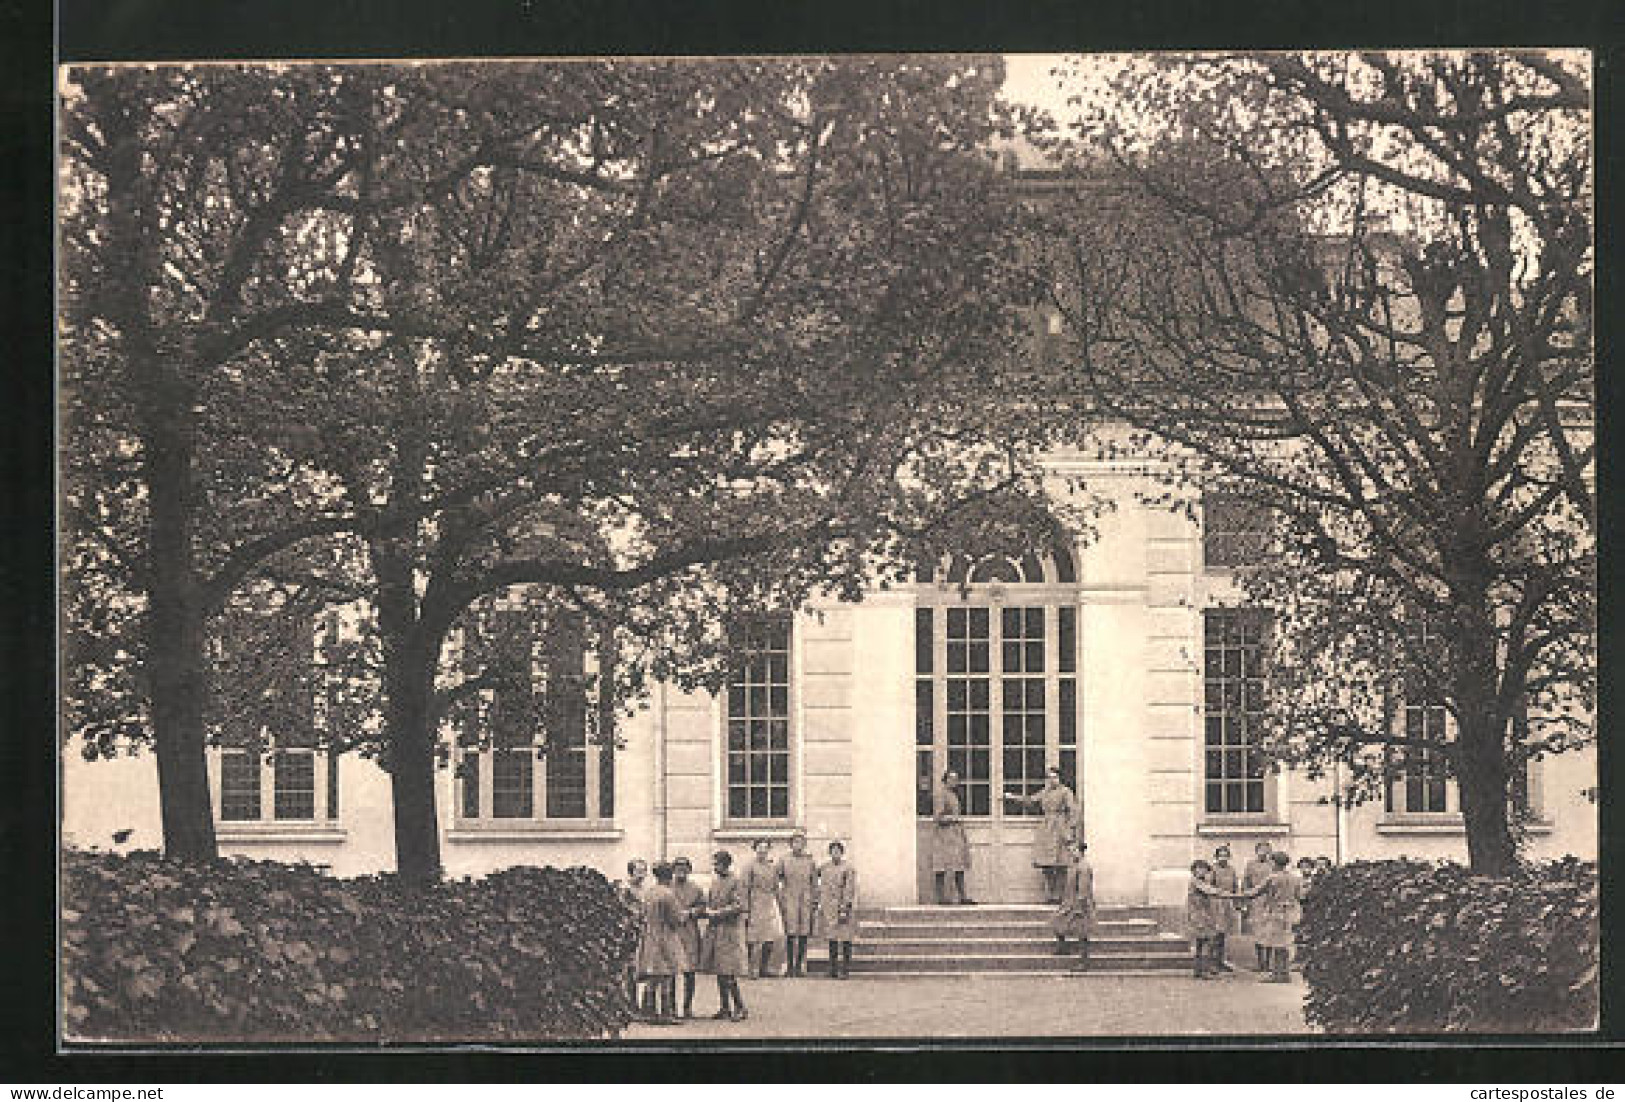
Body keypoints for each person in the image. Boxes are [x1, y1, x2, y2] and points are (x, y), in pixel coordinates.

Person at [1004, 766, 1080, 904]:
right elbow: (1031, 800)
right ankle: (1051, 894)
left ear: (1060, 778)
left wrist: (1070, 829)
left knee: (1061, 863)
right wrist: (1012, 797)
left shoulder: (1066, 792)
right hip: (1046, 828)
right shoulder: (1045, 792)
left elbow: (1073, 811)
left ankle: (1060, 895)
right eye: (1049, 778)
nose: (1052, 780)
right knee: (1046, 863)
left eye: (1054, 777)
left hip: (1060, 827)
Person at [1238, 850, 1304, 983]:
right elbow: (1300, 896)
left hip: (1275, 912)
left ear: (1274, 863)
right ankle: (1284, 973)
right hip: (1291, 912)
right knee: (1284, 944)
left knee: (1276, 943)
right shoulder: (1295, 878)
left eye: (1271, 861)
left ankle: (1277, 974)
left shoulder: (1272, 878)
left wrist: (1232, 896)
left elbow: (1254, 893)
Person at [698, 850, 749, 1021]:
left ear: (725, 864)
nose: (715, 867)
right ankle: (725, 1007)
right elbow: (710, 901)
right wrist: (705, 910)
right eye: (714, 864)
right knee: (720, 972)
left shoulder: (736, 881)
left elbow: (739, 905)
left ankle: (740, 1007)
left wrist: (717, 913)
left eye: (717, 864)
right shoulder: (715, 882)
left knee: (729, 972)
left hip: (729, 931)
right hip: (715, 931)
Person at [637, 861, 689, 1024]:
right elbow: (677, 919)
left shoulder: (649, 892)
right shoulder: (668, 894)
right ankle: (666, 1014)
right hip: (666, 938)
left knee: (652, 978)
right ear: (669, 875)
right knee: (666, 976)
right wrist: (687, 914)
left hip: (650, 936)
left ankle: (648, 1012)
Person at [1186, 859, 1239, 979]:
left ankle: (1199, 970)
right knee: (1205, 942)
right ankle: (1203, 970)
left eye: (1204, 869)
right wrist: (1230, 895)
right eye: (1200, 869)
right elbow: (1210, 890)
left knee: (1202, 943)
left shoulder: (1202, 881)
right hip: (1198, 916)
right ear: (1194, 870)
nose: (1202, 871)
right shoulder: (1196, 882)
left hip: (1203, 915)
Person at [813, 840, 858, 979]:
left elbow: (849, 888)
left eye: (838, 851)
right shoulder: (825, 868)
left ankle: (845, 969)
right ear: (829, 853)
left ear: (842, 852)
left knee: (845, 939)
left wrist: (845, 906)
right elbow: (814, 876)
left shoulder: (848, 868)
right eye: (833, 851)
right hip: (829, 908)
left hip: (843, 907)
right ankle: (832, 968)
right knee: (832, 938)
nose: (835, 854)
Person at [742, 838, 787, 978]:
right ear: (755, 849)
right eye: (759, 848)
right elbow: (744, 889)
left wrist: (780, 904)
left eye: (765, 848)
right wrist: (745, 910)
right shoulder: (749, 866)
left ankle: (764, 968)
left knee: (770, 937)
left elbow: (776, 887)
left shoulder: (772, 867)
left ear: (768, 850)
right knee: (754, 938)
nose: (762, 851)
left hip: (769, 904)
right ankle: (751, 968)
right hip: (755, 903)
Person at [779, 830, 819, 977]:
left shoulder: (810, 861)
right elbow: (777, 878)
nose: (798, 845)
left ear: (804, 844)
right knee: (790, 933)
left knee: (804, 934)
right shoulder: (784, 860)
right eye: (795, 842)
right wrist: (780, 897)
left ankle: (799, 966)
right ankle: (789, 966)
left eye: (801, 842)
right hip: (790, 899)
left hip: (806, 900)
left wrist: (815, 900)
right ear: (791, 844)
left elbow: (815, 882)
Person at [932, 770, 975, 905]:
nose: (955, 782)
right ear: (945, 780)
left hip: (955, 834)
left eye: (956, 779)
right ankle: (942, 898)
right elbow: (938, 817)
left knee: (959, 865)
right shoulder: (941, 795)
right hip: (944, 835)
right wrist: (954, 818)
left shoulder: (953, 795)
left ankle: (963, 896)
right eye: (952, 779)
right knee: (941, 866)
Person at [670, 856, 706, 1017]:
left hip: (690, 931)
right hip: (673, 931)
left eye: (684, 869)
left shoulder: (696, 889)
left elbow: (703, 906)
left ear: (689, 871)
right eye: (678, 869)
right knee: (671, 970)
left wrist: (691, 912)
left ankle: (687, 1007)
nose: (681, 873)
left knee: (690, 971)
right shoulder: (668, 888)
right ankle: (670, 1006)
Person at [1053, 838, 1096, 970]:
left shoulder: (1084, 867)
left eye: (1074, 850)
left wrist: (1080, 907)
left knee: (1082, 933)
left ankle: (1084, 962)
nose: (1072, 853)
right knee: (1057, 922)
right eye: (1070, 850)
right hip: (1070, 901)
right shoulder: (1074, 865)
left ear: (1081, 851)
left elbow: (1083, 889)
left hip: (1080, 904)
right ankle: (1063, 947)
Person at [618, 858, 650, 1015]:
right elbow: (623, 910)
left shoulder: (645, 890)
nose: (643, 874)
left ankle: (639, 1004)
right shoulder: (626, 889)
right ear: (631, 871)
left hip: (643, 932)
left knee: (640, 968)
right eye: (639, 871)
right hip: (629, 933)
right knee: (629, 969)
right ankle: (629, 1003)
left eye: (644, 871)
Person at [1240, 841, 1276, 971]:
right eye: (1261, 850)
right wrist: (1245, 901)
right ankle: (1260, 962)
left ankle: (1268, 962)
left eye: (1266, 850)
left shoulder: (1273, 865)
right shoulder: (1250, 865)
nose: (1264, 853)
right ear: (1256, 851)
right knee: (1258, 933)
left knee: (1270, 932)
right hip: (1255, 902)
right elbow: (1245, 883)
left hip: (1270, 901)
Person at [1209, 845, 1241, 973]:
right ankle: (1211, 963)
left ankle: (1220, 961)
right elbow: (1209, 887)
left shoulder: (1231, 870)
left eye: (1225, 855)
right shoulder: (1212, 870)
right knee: (1215, 934)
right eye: (1220, 855)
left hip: (1228, 904)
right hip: (1216, 904)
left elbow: (1235, 887)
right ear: (1216, 857)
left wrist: (1237, 902)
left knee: (1223, 935)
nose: (1223, 858)